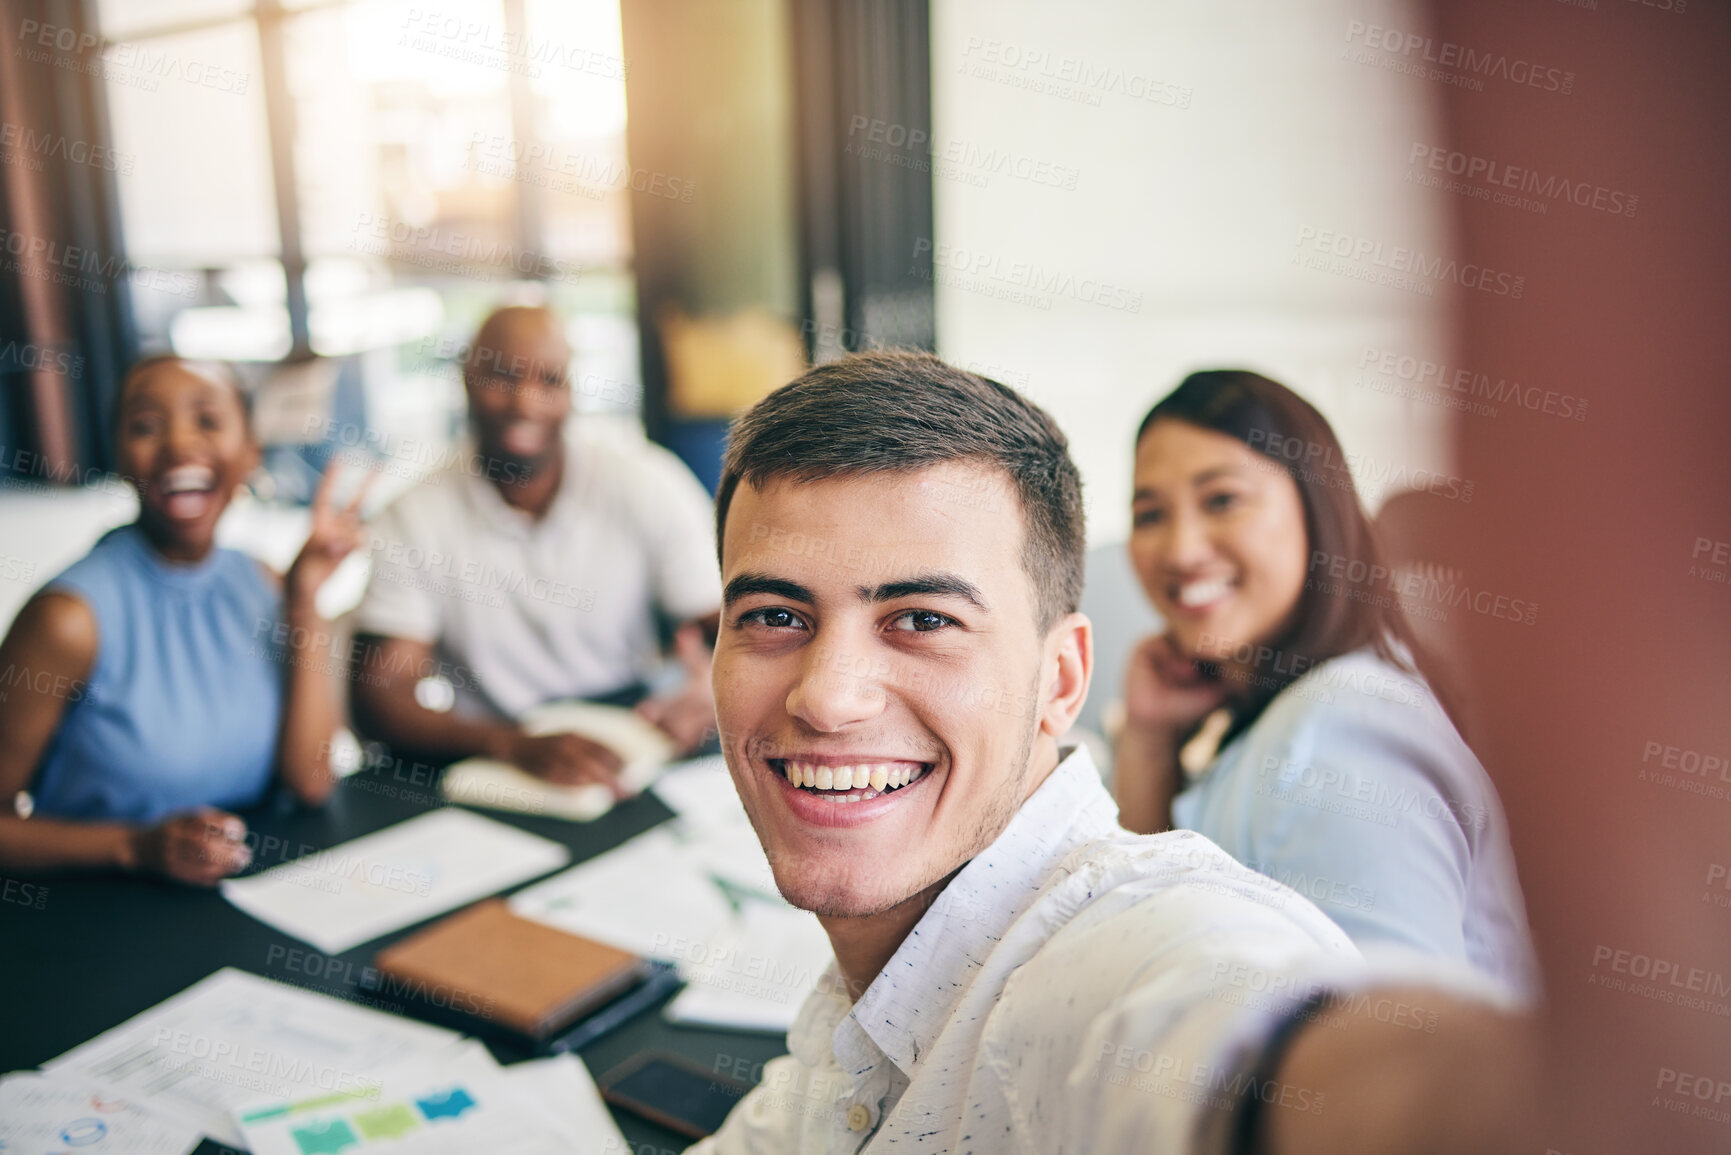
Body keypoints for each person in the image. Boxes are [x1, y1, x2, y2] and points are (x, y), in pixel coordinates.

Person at [692, 351, 1532, 1155]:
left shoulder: (1326, 746)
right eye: (773, 614)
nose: (828, 696)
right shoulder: (873, 996)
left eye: (922, 619)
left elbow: (1260, 1021)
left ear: (1061, 680)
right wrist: (1155, 742)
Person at [1111, 370, 1537, 999]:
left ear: (1316, 508)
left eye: (1222, 499)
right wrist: (1150, 740)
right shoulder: (1287, 715)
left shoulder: (1339, 729)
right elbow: (1153, 941)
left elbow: (1398, 1052)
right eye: (1150, 514)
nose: (1180, 548)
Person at [0, 355, 365, 885]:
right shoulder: (68, 620)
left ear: (250, 455)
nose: (178, 444)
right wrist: (134, 846)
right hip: (96, 913)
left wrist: (305, 599)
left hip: (241, 886)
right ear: (120, 455)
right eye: (146, 426)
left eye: (208, 421)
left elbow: (309, 782)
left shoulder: (263, 581)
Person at [349, 305, 722, 788]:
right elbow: (383, 699)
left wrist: (708, 690)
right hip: (497, 753)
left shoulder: (644, 481)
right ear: (465, 378)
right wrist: (510, 745)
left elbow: (734, 632)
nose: (525, 402)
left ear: (570, 390)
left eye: (549, 380)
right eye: (502, 377)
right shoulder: (412, 515)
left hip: (637, 735)